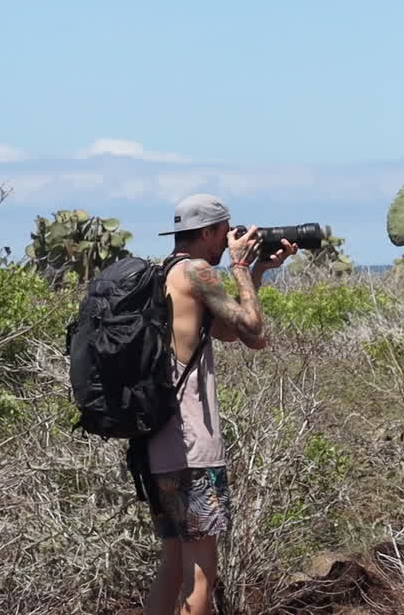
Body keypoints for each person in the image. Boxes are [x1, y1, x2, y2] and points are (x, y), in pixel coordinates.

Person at [142, 193, 296, 615]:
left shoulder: (163, 272)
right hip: (191, 443)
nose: (230, 239)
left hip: (155, 442)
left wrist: (258, 271)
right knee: (200, 573)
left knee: (172, 567)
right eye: (226, 231)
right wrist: (242, 267)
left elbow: (233, 334)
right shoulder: (197, 270)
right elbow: (255, 329)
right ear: (209, 232)